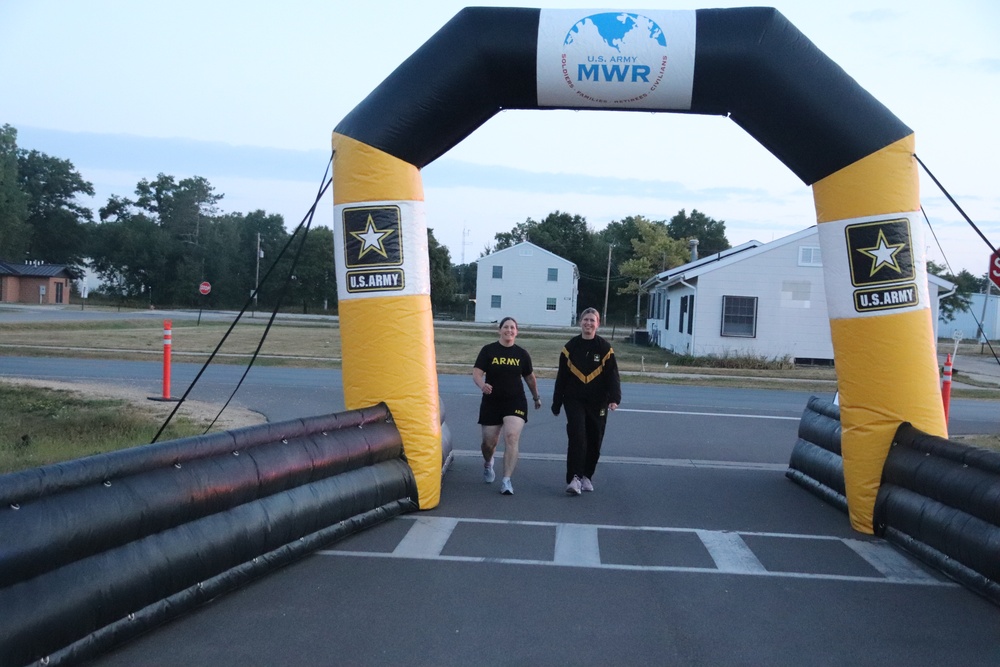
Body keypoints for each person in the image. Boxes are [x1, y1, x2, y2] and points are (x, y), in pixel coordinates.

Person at [551, 307, 622, 495]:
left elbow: (612, 376)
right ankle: (574, 478)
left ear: (598, 324)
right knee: (577, 436)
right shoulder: (570, 348)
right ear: (580, 322)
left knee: (595, 438)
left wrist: (614, 398)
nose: (588, 323)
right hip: (574, 399)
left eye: (592, 320)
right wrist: (557, 402)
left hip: (598, 402)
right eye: (585, 320)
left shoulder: (605, 349)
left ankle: (586, 476)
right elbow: (562, 377)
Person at [473, 316, 542, 495]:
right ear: (500, 330)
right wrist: (482, 385)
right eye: (506, 327)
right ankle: (488, 463)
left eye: (512, 328)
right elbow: (477, 373)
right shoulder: (488, 351)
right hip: (492, 402)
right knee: (488, 444)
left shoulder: (521, 354)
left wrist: (536, 397)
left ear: (516, 332)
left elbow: (529, 377)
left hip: (515, 401)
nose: (509, 330)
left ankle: (506, 480)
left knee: (511, 437)